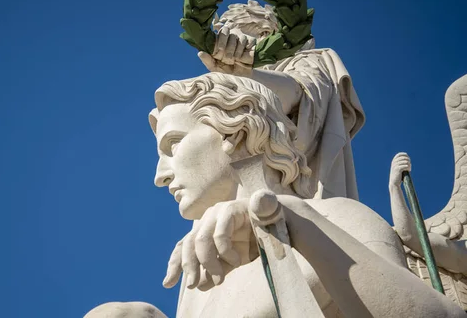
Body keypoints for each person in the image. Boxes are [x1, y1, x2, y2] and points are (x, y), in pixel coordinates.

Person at [149, 72, 465, 317]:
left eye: (173, 144)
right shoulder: (194, 282)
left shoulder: (338, 221)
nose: (160, 176)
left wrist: (284, 220)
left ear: (238, 131)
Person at [198, 0, 365, 200]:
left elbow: (301, 96)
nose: (225, 43)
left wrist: (246, 74)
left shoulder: (307, 61)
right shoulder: (233, 84)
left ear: (265, 33)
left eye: (231, 33)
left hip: (305, 196)